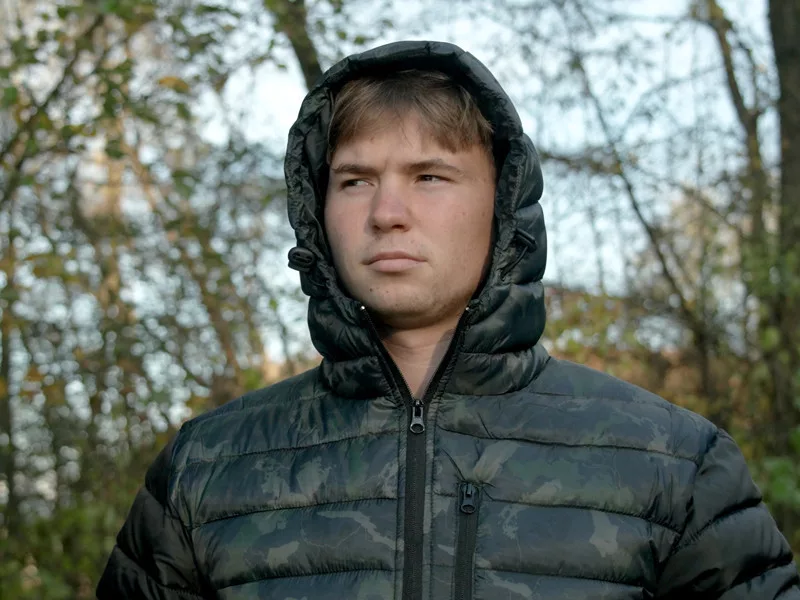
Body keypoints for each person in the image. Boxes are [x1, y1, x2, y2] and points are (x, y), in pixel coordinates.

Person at [97, 40, 800, 599]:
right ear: (317, 212)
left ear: (503, 204)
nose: (386, 213)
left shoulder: (673, 466)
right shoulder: (205, 473)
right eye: (355, 180)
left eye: (429, 176)